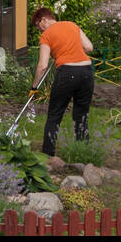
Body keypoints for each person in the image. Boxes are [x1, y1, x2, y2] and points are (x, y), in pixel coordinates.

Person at [31, 8, 95, 157]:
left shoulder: (46, 35)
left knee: (55, 114)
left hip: (67, 73)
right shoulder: (72, 25)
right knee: (82, 115)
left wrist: (34, 87)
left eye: (37, 25)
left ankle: (47, 155)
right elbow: (89, 47)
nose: (39, 29)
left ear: (44, 20)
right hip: (86, 72)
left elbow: (43, 65)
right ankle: (83, 153)